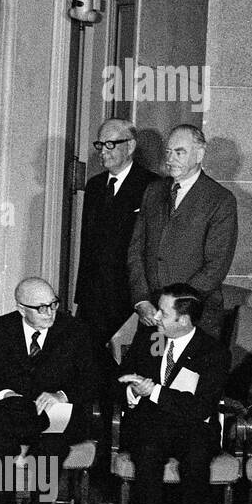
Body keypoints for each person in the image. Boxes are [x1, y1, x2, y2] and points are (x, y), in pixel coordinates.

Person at [0, 277, 96, 504]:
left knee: (50, 449)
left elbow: (92, 379)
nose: (50, 312)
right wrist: (4, 393)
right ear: (20, 308)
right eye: (40, 308)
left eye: (53, 304)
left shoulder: (75, 331)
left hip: (57, 412)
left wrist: (61, 395)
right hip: (11, 410)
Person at [117, 284, 228, 504]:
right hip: (152, 425)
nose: (155, 318)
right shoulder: (151, 339)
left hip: (194, 428)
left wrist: (152, 391)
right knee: (148, 448)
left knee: (196, 454)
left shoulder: (212, 352)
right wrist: (131, 390)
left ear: (184, 320)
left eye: (163, 313)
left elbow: (200, 407)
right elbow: (121, 377)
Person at [128, 124, 237, 338]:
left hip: (196, 317)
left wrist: (174, 305)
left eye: (180, 152)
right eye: (168, 152)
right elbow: (136, 250)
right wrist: (141, 299)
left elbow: (215, 266)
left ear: (199, 154)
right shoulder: (153, 191)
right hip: (152, 315)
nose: (170, 159)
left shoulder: (220, 200)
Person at [75, 120, 157, 349]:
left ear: (130, 146)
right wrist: (81, 297)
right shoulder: (94, 186)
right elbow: (87, 245)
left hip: (128, 299)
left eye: (110, 144)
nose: (103, 151)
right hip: (92, 300)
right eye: (100, 145)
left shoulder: (152, 186)